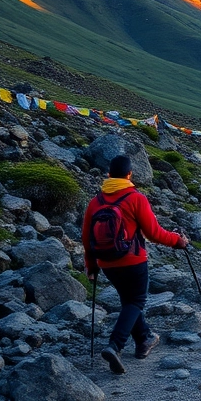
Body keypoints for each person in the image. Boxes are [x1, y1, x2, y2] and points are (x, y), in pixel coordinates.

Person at [81, 154, 189, 374]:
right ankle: (115, 345)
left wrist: (91, 266)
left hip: (107, 263)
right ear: (130, 174)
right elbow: (154, 233)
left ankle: (144, 340)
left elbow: (86, 238)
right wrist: (178, 241)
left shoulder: (96, 201)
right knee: (136, 302)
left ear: (109, 174)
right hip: (133, 260)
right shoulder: (136, 198)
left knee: (129, 302)